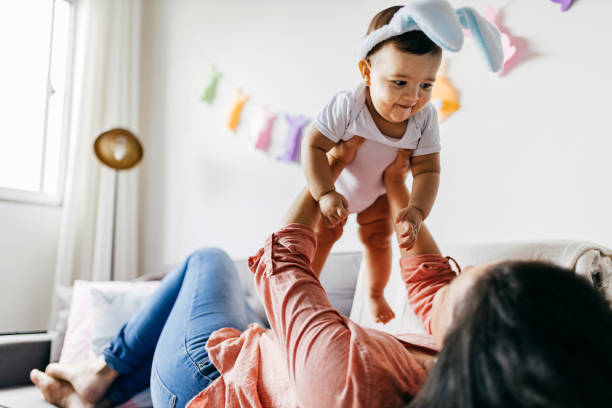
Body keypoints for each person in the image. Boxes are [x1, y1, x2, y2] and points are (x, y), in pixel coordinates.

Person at [31, 137, 612, 408]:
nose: (451, 279)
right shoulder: (477, 374)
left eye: (470, 278)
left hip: (204, 385)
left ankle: (102, 373)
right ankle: (99, 384)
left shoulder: (352, 380)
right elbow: (433, 287)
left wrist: (328, 170)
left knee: (206, 260)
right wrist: (404, 203)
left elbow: (282, 264)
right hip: (269, 360)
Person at [302, 1, 504, 324]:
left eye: (426, 84)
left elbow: (427, 169)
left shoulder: (424, 119)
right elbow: (312, 145)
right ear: (367, 73)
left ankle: (375, 293)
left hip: (378, 196)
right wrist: (325, 192)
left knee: (379, 243)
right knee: (319, 240)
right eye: (400, 82)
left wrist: (417, 209)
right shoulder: (349, 106)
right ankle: (307, 294)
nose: (413, 96)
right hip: (336, 185)